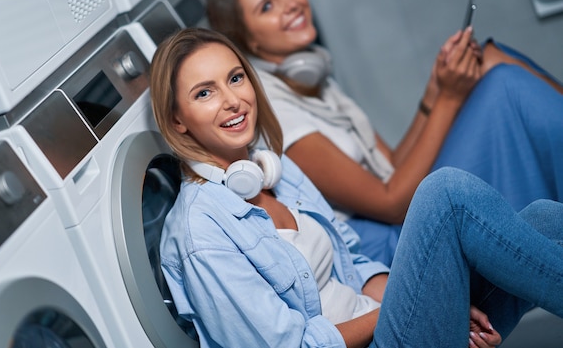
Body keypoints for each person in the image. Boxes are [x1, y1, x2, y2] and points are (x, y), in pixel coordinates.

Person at [149, 27, 563, 348]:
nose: (232, 100)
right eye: (205, 93)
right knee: (447, 193)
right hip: (380, 335)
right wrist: (402, 309)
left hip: (389, 322)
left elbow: (356, 263)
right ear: (178, 120)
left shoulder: (275, 168)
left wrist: (442, 307)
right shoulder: (200, 232)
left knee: (545, 219)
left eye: (235, 79)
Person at [205, 0, 563, 265]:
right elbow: (391, 204)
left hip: (407, 207)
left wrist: (435, 91)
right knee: (503, 82)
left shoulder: (316, 76)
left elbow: (391, 165)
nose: (290, 3)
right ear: (249, 42)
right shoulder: (274, 109)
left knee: (491, 64)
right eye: (266, 6)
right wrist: (450, 99)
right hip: (398, 242)